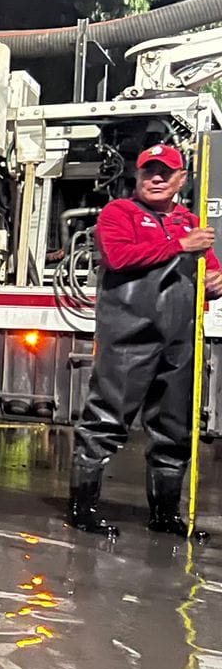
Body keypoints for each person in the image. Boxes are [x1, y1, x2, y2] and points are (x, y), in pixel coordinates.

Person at [70, 142, 222, 540]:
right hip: (128, 337)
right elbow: (119, 257)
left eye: (165, 172)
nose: (156, 178)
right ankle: (82, 510)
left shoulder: (192, 222)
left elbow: (212, 275)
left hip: (180, 341)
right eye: (148, 171)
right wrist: (179, 247)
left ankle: (166, 515)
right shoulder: (119, 213)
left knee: (175, 429)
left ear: (181, 179)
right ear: (136, 177)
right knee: (105, 421)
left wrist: (215, 283)